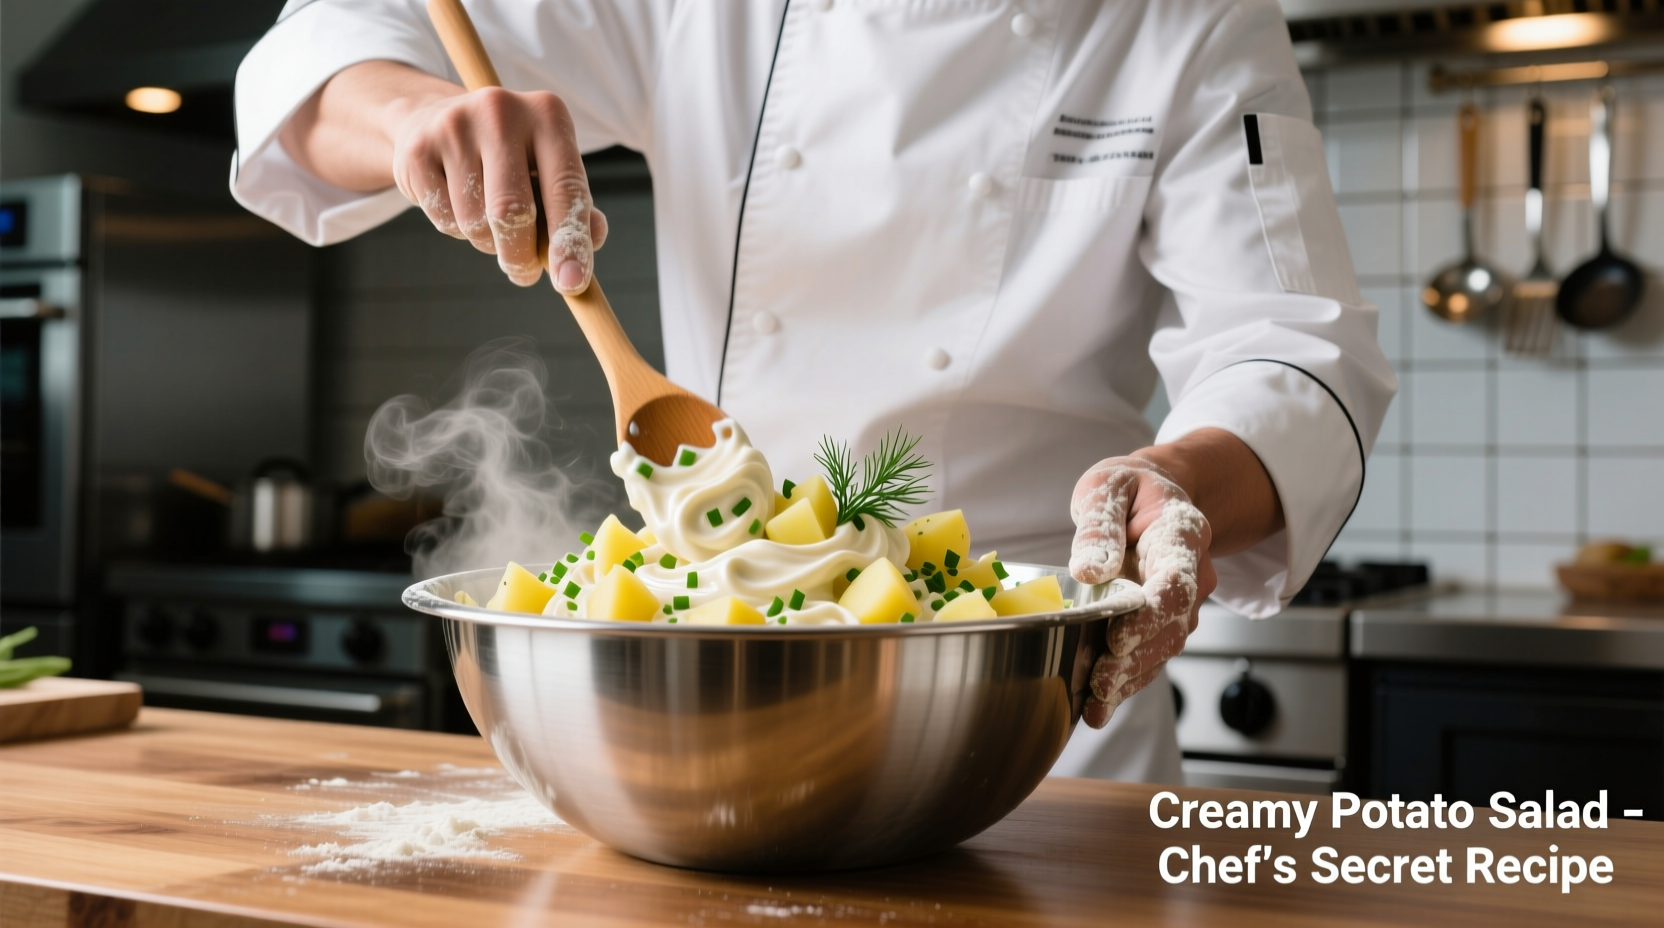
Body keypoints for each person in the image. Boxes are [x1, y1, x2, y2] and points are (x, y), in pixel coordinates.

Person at [232, 0, 1394, 783]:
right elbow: (326, 50)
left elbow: (1292, 343)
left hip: (1027, 712)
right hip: (707, 706)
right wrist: (417, 117)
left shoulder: (1188, 18)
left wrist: (1173, 478)